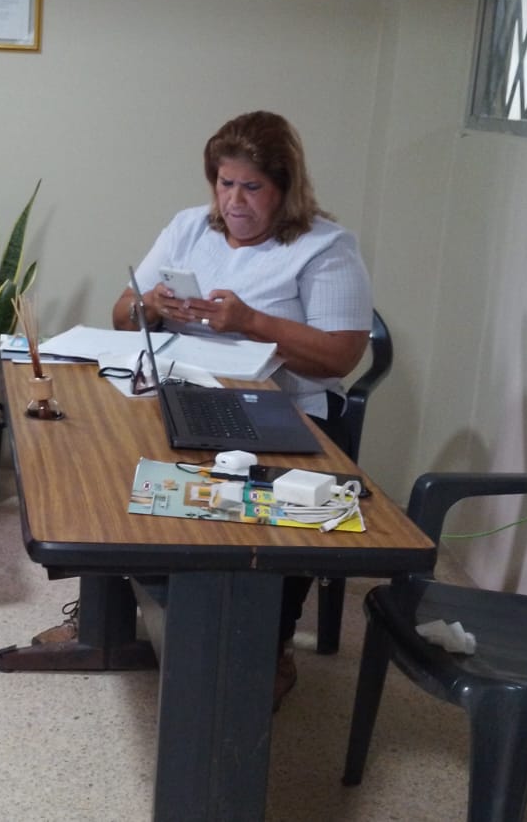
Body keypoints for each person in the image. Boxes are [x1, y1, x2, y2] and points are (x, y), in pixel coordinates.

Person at [111, 109, 373, 710]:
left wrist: (252, 322)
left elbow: (341, 355)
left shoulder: (325, 247)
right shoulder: (189, 227)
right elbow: (121, 312)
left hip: (289, 407)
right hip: (186, 390)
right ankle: (129, 614)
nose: (234, 201)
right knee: (111, 461)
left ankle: (270, 645)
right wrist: (152, 306)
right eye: (225, 183)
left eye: (251, 187)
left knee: (276, 510)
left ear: (285, 188)